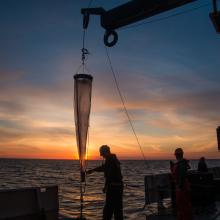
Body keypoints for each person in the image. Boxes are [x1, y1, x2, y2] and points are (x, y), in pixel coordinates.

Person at [87, 145, 123, 220]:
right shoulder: (112, 159)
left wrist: (106, 186)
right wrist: (93, 170)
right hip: (118, 188)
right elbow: (104, 168)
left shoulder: (110, 160)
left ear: (105, 152)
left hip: (113, 189)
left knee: (108, 211)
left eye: (101, 153)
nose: (101, 155)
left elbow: (110, 175)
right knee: (118, 210)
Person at [170, 148, 193, 220]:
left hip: (181, 187)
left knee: (182, 205)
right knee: (184, 204)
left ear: (177, 155)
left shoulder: (181, 164)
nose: (175, 156)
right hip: (183, 186)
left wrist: (180, 185)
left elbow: (182, 175)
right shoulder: (181, 163)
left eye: (176, 155)